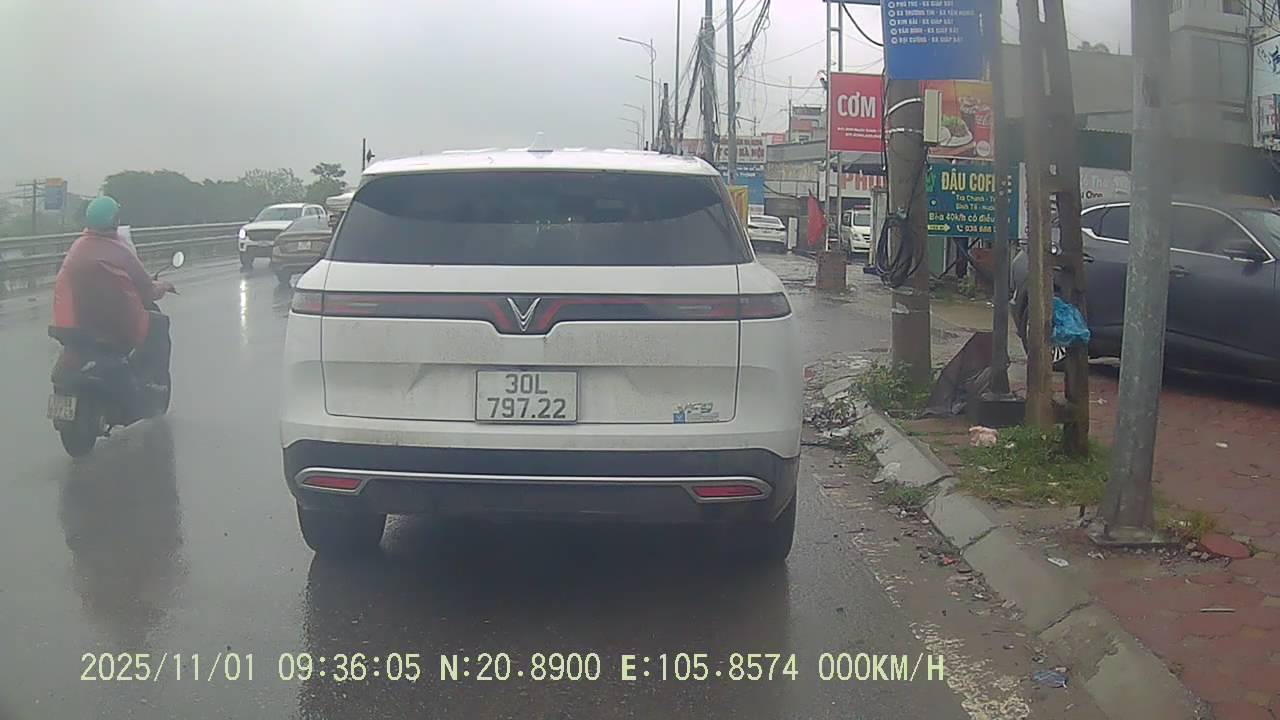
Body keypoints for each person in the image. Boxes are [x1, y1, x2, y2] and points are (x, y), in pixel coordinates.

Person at [51, 196, 175, 388]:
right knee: (159, 324)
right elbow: (147, 292)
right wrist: (163, 286)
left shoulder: (77, 248)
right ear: (116, 220)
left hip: (77, 326)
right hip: (114, 327)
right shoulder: (120, 250)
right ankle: (156, 383)